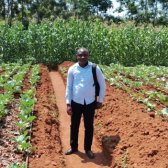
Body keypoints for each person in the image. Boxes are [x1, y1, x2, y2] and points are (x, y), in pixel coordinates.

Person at [65, 47, 106, 159]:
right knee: (74, 125)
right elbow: (69, 87)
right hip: (76, 102)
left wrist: (100, 100)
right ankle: (73, 147)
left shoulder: (94, 68)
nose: (82, 57)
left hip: (90, 102)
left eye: (85, 55)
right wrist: (68, 104)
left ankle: (87, 148)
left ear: (88, 56)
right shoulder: (72, 69)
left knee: (89, 126)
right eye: (80, 55)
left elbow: (102, 84)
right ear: (76, 56)